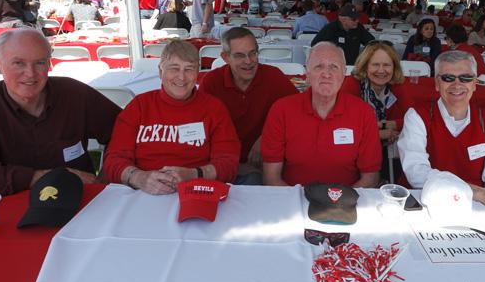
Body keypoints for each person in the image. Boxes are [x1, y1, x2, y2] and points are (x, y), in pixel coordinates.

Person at [0, 29, 120, 196]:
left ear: (49, 64)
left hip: (81, 200)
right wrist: (47, 177)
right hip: (10, 206)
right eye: (18, 63)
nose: (30, 73)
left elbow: (127, 131)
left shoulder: (74, 94)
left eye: (39, 62)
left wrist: (110, 171)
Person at [397, 51, 485, 218]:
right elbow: (417, 174)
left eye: (465, 78)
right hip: (423, 205)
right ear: (437, 83)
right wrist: (479, 193)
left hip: (477, 208)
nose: (457, 85)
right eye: (448, 78)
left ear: (474, 83)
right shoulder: (417, 117)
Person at [102, 40, 241, 194]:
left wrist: (195, 174)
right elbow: (113, 160)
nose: (181, 77)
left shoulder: (214, 109)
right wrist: (139, 178)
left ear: (198, 73)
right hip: (143, 194)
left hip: (196, 193)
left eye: (189, 69)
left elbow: (229, 163)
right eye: (174, 69)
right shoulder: (139, 107)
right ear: (161, 72)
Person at [261, 42, 381, 187]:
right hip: (293, 199)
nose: (326, 74)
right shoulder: (281, 110)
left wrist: (340, 205)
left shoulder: (364, 113)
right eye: (319, 66)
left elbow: (370, 177)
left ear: (344, 74)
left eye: (334, 67)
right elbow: (271, 178)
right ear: (307, 73)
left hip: (346, 203)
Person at [200, 28, 297, 185]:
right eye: (239, 55)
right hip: (222, 165)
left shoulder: (273, 76)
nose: (249, 61)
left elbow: (298, 112)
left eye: (253, 53)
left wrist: (266, 136)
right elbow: (201, 127)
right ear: (225, 57)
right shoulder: (211, 82)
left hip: (267, 167)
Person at [340, 41, 413, 182]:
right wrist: (378, 133)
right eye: (375, 65)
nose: (381, 70)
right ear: (365, 66)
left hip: (386, 148)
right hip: (353, 149)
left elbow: (414, 118)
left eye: (386, 65)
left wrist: (384, 125)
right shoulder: (353, 84)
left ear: (394, 67)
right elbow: (344, 125)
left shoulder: (397, 84)